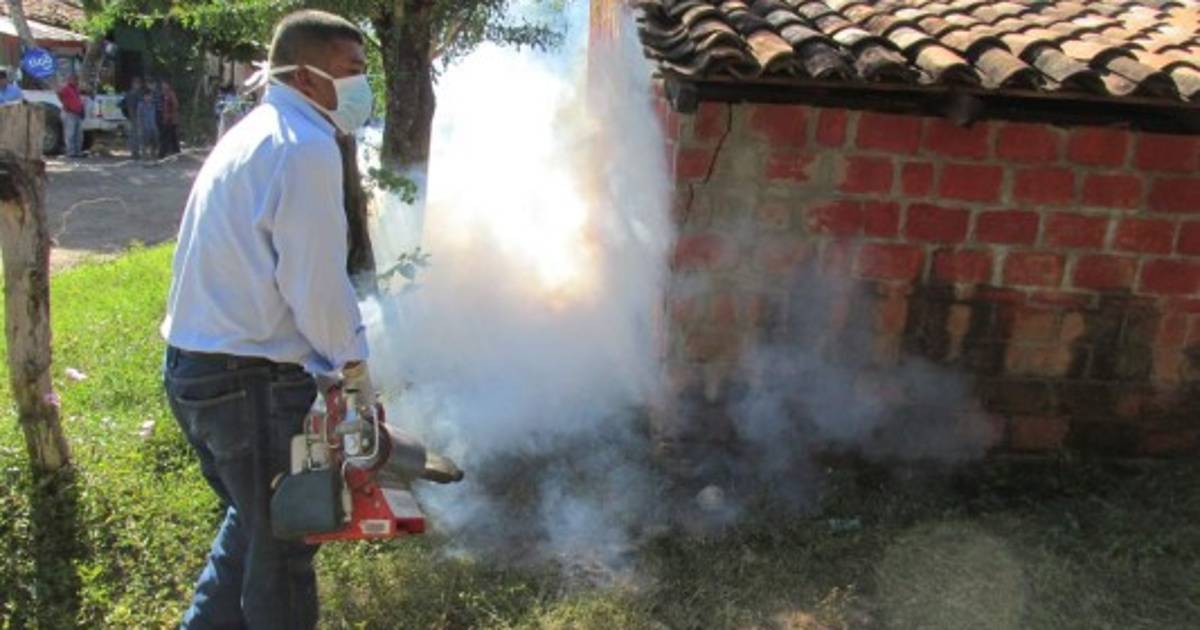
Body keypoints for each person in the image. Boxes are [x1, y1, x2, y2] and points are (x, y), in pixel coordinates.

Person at [160, 9, 373, 629]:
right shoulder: (305, 148)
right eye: (352, 70)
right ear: (306, 76)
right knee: (283, 551)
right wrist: (355, 370)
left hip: (197, 372)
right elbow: (315, 285)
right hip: (247, 384)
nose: (363, 86)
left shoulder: (254, 133)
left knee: (255, 530)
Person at [57, 74, 85, 157]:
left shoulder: (76, 89)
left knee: (79, 134)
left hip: (77, 113)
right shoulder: (65, 88)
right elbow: (59, 94)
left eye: (76, 79)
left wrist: (82, 110)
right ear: (69, 80)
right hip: (69, 113)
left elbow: (78, 100)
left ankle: (78, 151)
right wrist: (66, 104)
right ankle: (70, 152)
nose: (76, 81)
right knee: (70, 133)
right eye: (74, 79)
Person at [157, 78, 180, 156]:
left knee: (168, 136)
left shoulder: (171, 94)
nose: (163, 86)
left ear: (168, 85)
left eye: (165, 84)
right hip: (165, 118)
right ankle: (174, 151)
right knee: (170, 136)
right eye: (162, 84)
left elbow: (176, 105)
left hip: (171, 119)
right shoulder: (162, 94)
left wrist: (171, 115)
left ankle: (163, 153)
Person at [123, 76, 145, 158]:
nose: (138, 85)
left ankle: (136, 152)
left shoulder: (139, 93)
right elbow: (130, 107)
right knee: (134, 135)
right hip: (134, 116)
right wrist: (132, 116)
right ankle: (134, 152)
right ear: (133, 84)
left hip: (138, 116)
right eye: (136, 83)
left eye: (139, 83)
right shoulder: (131, 93)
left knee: (136, 135)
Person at [136, 89, 158, 161]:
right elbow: (139, 117)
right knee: (144, 143)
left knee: (154, 143)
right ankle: (144, 158)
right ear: (144, 97)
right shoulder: (141, 105)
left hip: (153, 126)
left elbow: (155, 116)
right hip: (144, 127)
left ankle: (153, 157)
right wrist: (140, 127)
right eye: (146, 96)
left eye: (149, 96)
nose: (148, 97)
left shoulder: (153, 104)